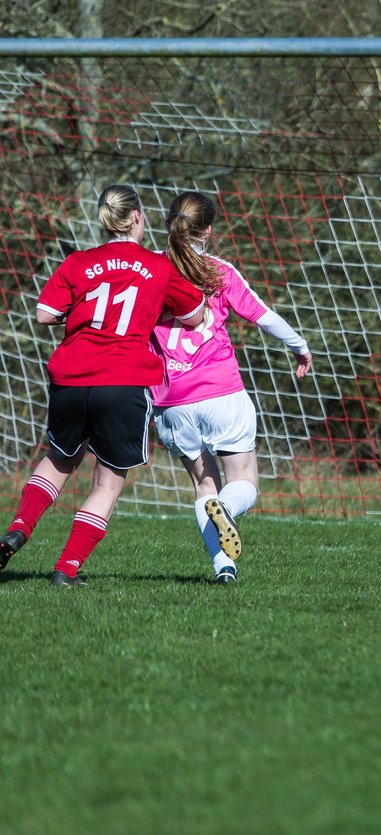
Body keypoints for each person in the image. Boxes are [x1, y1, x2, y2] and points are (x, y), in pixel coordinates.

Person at [0, 185, 207, 586]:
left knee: (60, 458)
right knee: (108, 480)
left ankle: (19, 528)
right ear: (134, 218)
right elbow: (196, 315)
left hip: (72, 376)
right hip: (124, 379)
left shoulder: (79, 261)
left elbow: (44, 314)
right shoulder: (159, 267)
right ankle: (66, 569)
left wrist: (80, 316)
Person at [150, 190, 312, 583]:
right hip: (221, 392)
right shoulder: (217, 270)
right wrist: (300, 347)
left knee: (203, 485)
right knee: (244, 484)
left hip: (170, 400)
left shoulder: (149, 270)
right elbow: (264, 316)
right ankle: (226, 509)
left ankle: (223, 566)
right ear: (207, 229)